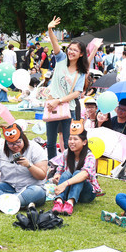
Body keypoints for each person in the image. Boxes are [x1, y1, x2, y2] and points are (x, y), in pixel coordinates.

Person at [44, 16, 88, 160]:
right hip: (52, 106)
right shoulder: (61, 59)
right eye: (70, 49)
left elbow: (77, 93)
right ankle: (52, 165)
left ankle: (68, 165)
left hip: (68, 108)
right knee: (50, 142)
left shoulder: (80, 73)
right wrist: (50, 29)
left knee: (71, 142)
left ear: (81, 54)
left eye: (75, 50)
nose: (71, 52)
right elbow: (54, 43)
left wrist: (60, 100)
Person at [0, 123, 48, 209]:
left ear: (23, 138)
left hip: (31, 188)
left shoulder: (35, 148)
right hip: (9, 187)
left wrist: (29, 165)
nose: (15, 146)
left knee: (37, 192)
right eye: (11, 144)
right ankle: (18, 202)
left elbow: (42, 176)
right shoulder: (3, 151)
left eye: (18, 142)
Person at [49, 120, 101, 216]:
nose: (72, 142)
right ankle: (59, 201)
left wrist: (64, 184)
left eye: (75, 139)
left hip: (87, 193)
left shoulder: (89, 156)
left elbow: (85, 174)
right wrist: (57, 176)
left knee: (78, 174)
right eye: (70, 139)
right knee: (66, 174)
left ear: (84, 142)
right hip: (69, 189)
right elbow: (59, 170)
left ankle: (70, 203)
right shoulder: (66, 153)